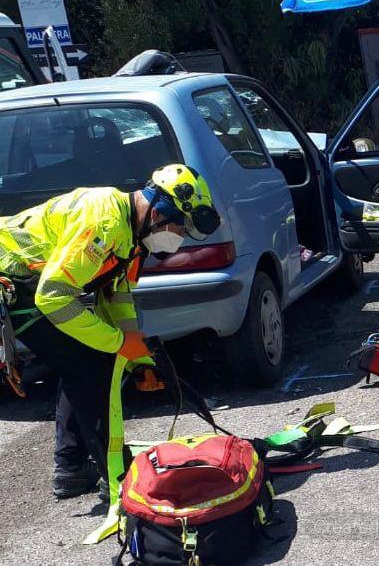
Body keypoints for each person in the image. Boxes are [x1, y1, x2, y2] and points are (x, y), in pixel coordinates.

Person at [0, 164, 220, 499]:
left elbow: (117, 294)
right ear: (159, 209)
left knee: (83, 362)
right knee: (91, 363)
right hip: (15, 284)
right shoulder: (104, 222)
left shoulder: (133, 237)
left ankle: (72, 467)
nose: (178, 239)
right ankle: (114, 473)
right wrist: (118, 343)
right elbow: (54, 296)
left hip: (32, 288)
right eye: (180, 227)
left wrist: (139, 354)